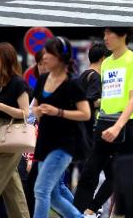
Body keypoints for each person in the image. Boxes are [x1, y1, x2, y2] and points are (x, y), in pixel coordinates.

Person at [75, 28, 133, 216]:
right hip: (103, 122)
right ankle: (78, 213)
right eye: (104, 34)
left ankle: (92, 208)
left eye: (109, 34)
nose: (105, 38)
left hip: (126, 125)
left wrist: (118, 126)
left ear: (123, 35)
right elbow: (107, 95)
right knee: (89, 172)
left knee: (125, 177)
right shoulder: (107, 63)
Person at [31, 37, 90, 218]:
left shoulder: (73, 83)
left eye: (49, 53)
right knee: (54, 195)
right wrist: (38, 111)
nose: (45, 56)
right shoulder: (42, 79)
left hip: (64, 144)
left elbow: (85, 113)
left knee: (41, 190)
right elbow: (35, 105)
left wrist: (59, 112)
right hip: (44, 143)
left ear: (61, 56)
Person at [0, 43, 31, 217]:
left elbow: (25, 114)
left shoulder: (18, 83)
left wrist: (1, 106)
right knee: (13, 188)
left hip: (14, 133)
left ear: (7, 58)